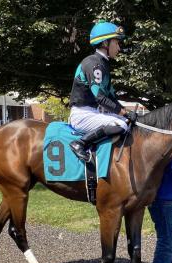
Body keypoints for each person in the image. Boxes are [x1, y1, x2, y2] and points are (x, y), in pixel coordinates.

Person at [68, 21, 131, 161]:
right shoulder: (94, 63)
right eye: (116, 43)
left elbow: (111, 97)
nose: (119, 48)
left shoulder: (103, 64)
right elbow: (101, 98)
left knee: (127, 122)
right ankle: (80, 143)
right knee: (121, 125)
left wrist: (127, 113)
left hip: (92, 113)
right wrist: (124, 113)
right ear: (105, 43)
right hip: (82, 115)